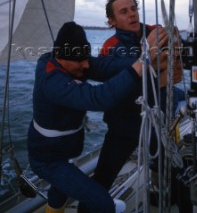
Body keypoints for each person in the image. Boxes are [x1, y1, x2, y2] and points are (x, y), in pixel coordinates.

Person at [27, 21, 168, 213]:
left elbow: (106, 67)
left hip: (64, 151)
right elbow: (97, 99)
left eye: (86, 58)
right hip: (47, 159)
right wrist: (142, 62)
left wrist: (151, 60)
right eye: (81, 61)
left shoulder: (71, 60)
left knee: (59, 191)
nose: (86, 65)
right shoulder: (51, 81)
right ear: (60, 57)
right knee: (102, 203)